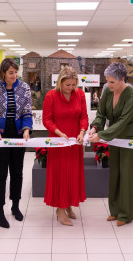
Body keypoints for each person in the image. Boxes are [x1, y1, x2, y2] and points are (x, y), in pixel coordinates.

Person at [88, 62, 133, 227]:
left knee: (127, 174)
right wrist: (96, 127)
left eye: (112, 82)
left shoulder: (132, 95)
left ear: (123, 79)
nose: (108, 85)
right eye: (107, 81)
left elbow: (124, 121)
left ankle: (126, 215)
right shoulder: (108, 92)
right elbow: (101, 113)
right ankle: (115, 211)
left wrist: (102, 135)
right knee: (115, 173)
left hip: (129, 136)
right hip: (113, 136)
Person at [0, 58, 33, 228]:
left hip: (18, 134)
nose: (14, 75)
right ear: (3, 73)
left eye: (16, 72)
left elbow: (27, 112)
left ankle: (16, 206)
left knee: (17, 172)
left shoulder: (24, 88)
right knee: (0, 174)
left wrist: (27, 128)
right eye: (11, 73)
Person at [42, 67, 88, 226]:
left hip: (74, 142)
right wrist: (59, 133)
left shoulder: (80, 94)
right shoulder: (51, 96)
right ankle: (60, 210)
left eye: (73, 85)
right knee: (60, 175)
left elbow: (84, 116)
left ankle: (68, 204)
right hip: (58, 141)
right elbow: (46, 120)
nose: (71, 88)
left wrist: (82, 132)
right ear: (60, 82)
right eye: (68, 85)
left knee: (72, 174)